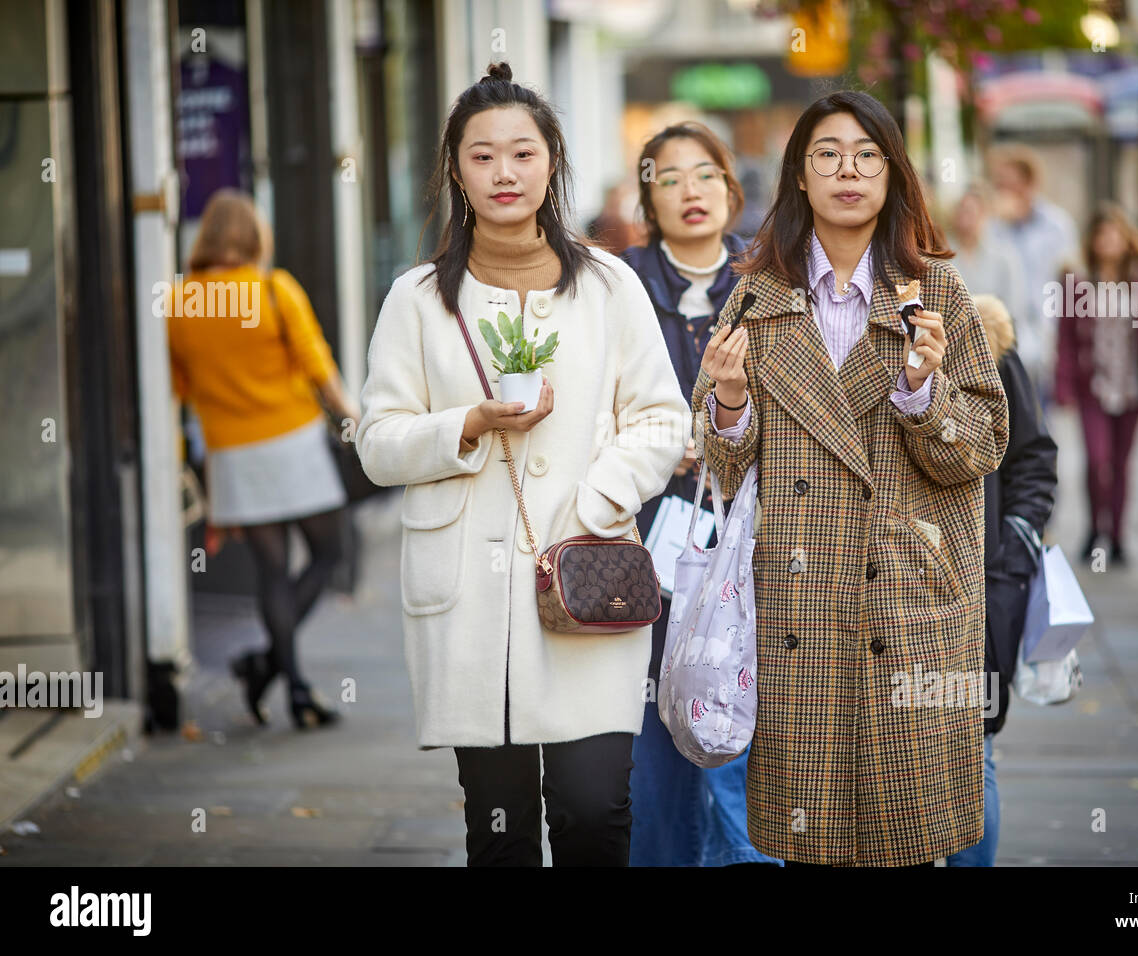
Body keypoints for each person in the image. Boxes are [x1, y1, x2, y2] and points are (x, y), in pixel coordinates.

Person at [355, 62, 689, 867]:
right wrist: (466, 423)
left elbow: (663, 419)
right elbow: (376, 442)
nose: (503, 173)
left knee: (593, 811)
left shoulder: (610, 285)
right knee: (497, 829)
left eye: (522, 153)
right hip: (471, 602)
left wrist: (599, 500)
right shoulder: (416, 298)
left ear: (552, 162)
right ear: (456, 171)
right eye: (481, 156)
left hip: (588, 577)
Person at [693, 89, 1010, 867]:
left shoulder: (936, 293)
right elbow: (724, 469)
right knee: (810, 840)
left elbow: (982, 446)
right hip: (799, 596)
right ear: (800, 176)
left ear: (893, 174)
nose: (848, 171)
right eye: (827, 154)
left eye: (868, 155)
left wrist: (922, 392)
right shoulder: (756, 297)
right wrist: (730, 403)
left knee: (904, 840)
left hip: (907, 591)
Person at [620, 121, 780, 867]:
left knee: (747, 744)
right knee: (655, 759)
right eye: (670, 177)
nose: (691, 191)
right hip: (642, 549)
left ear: (731, 190)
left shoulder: (770, 289)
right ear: (647, 199)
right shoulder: (617, 288)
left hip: (751, 550)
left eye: (706, 175)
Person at [167, 189, 357, 730]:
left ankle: (287, 679)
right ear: (254, 238)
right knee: (327, 554)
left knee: (272, 573)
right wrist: (354, 421)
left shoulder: (181, 303)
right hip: (292, 443)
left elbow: (181, 389)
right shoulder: (274, 289)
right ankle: (272, 670)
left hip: (231, 455)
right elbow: (318, 364)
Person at [945, 294, 1058, 867]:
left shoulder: (984, 332)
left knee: (973, 750)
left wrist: (1014, 542)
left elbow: (1033, 454)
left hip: (979, 584)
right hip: (873, 591)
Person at [1054, 203, 1138, 566]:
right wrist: (1064, 384)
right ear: (1093, 240)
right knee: (1097, 460)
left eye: (1116, 234)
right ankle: (1094, 526)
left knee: (1121, 463)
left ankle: (1117, 535)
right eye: (1102, 235)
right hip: (1094, 386)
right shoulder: (1077, 280)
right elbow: (1065, 337)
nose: (1109, 241)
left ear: (1127, 238)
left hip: (1132, 385)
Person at [989, 144, 1082, 409]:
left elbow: (1070, 282)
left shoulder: (1056, 226)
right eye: (1000, 184)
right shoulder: (994, 227)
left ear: (1029, 184)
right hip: (1004, 335)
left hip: (1045, 334)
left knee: (1040, 416)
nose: (1004, 191)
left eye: (1011, 184)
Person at [948, 181, 1030, 339]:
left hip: (994, 342)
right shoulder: (942, 254)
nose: (965, 217)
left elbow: (1014, 308)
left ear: (984, 214)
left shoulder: (1004, 257)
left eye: (971, 211)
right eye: (962, 210)